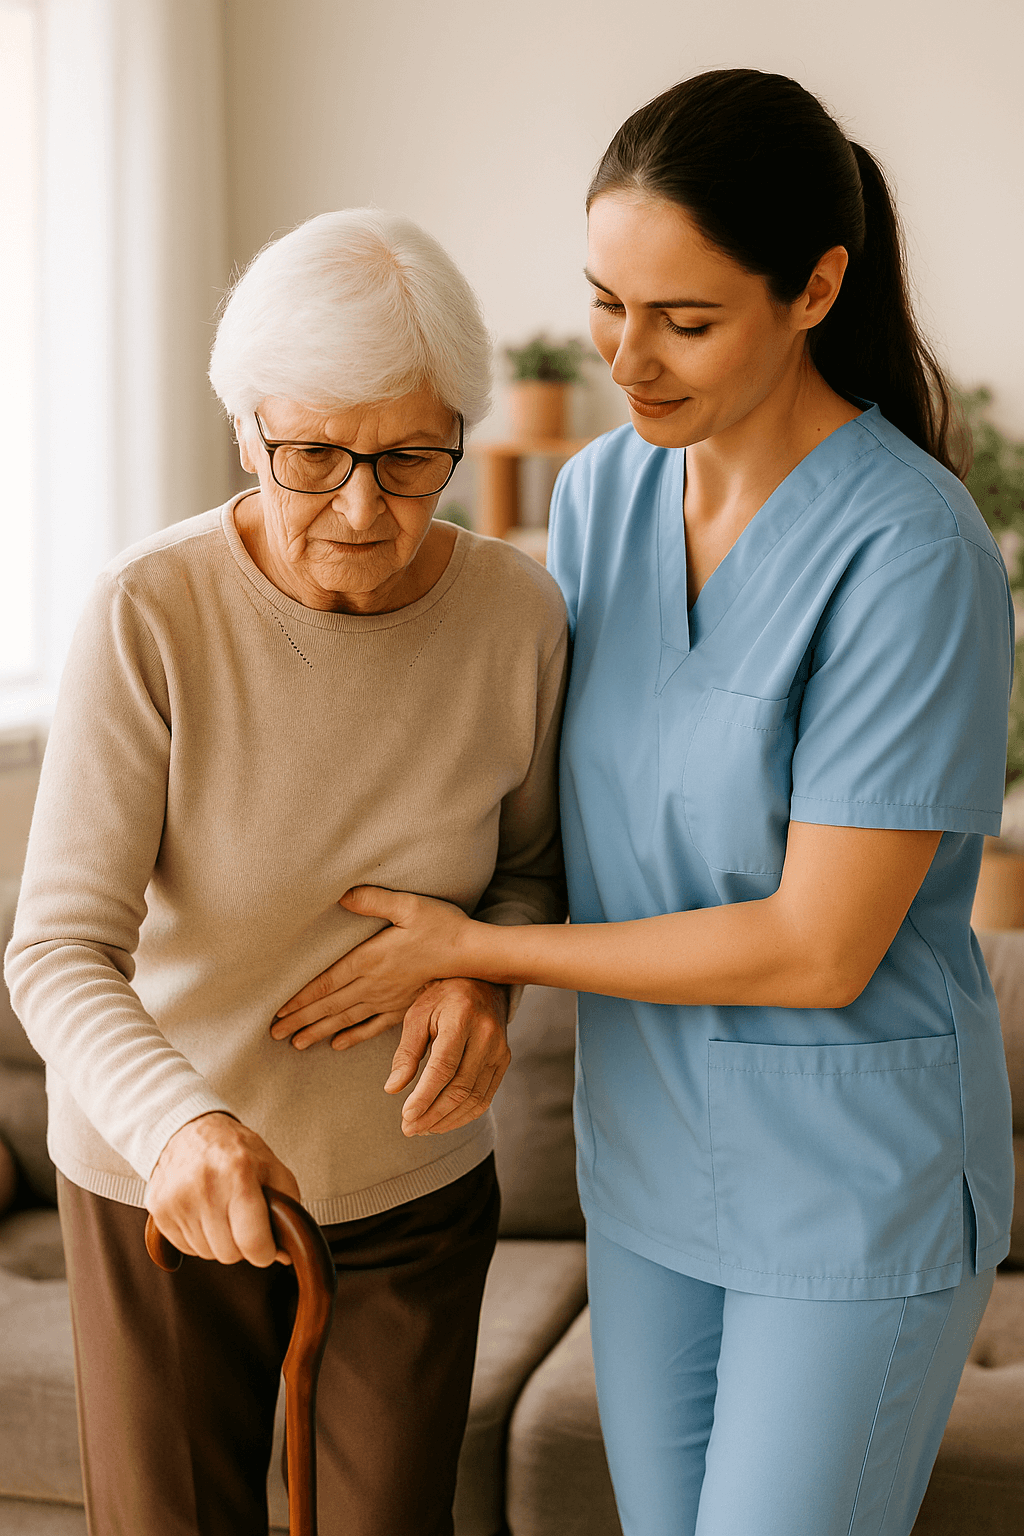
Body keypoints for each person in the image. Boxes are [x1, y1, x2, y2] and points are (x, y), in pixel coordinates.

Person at [272, 72, 1016, 1536]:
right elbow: (539, 798)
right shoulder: (604, 493)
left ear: (816, 289)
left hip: (850, 1195)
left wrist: (480, 954)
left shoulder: (912, 553)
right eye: (607, 303)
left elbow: (819, 948)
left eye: (686, 322)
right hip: (651, 1166)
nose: (630, 359)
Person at [4, 208, 568, 1536]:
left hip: (413, 1193)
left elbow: (533, 875)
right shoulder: (151, 613)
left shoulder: (518, 615)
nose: (366, 509)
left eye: (414, 455)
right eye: (314, 455)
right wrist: (182, 1128)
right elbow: (56, 949)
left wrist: (483, 988)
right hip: (160, 1190)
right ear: (246, 430)